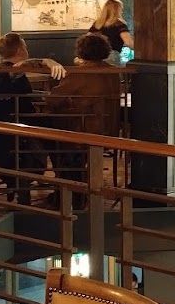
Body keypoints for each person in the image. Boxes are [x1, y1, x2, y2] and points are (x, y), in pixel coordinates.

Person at [0, 33, 65, 203]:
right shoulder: (10, 71)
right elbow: (19, 71)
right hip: (20, 128)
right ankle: (64, 185)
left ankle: (58, 182)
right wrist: (46, 61)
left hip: (4, 129)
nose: (27, 50)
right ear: (20, 49)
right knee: (60, 137)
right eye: (25, 47)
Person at [44, 33, 121, 189]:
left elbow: (53, 99)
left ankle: (68, 191)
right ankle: (77, 187)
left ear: (81, 51)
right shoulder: (113, 72)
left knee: (47, 135)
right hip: (109, 127)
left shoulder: (80, 73)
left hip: (82, 129)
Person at [88, 0, 133, 65]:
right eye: (121, 9)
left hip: (95, 59)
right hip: (112, 59)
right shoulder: (119, 24)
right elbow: (129, 43)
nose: (122, 12)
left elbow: (87, 41)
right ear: (117, 10)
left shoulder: (97, 24)